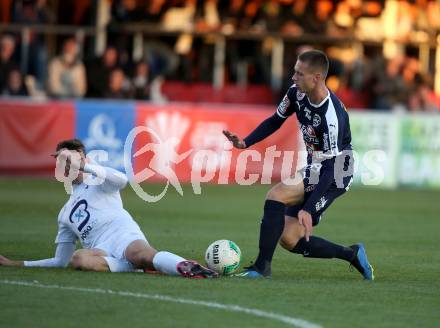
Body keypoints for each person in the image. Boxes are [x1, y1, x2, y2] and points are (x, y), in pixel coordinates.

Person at [223, 49, 374, 280]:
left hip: (338, 172)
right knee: (289, 238)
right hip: (317, 166)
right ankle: (351, 254)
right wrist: (246, 142)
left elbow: (332, 167)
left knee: (276, 195)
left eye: (299, 74)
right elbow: (276, 120)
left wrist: (308, 207)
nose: (293, 77)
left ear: (317, 78)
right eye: (294, 72)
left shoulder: (331, 117)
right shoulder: (296, 93)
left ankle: (262, 268)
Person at [0, 139, 217, 279]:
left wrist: (83, 166)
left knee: (140, 253)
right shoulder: (65, 214)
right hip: (100, 250)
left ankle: (190, 268)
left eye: (68, 161)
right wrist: (16, 263)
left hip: (123, 234)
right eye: (61, 162)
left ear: (82, 159)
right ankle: (135, 266)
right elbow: (60, 261)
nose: (64, 166)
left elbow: (122, 179)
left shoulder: (98, 180)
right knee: (79, 260)